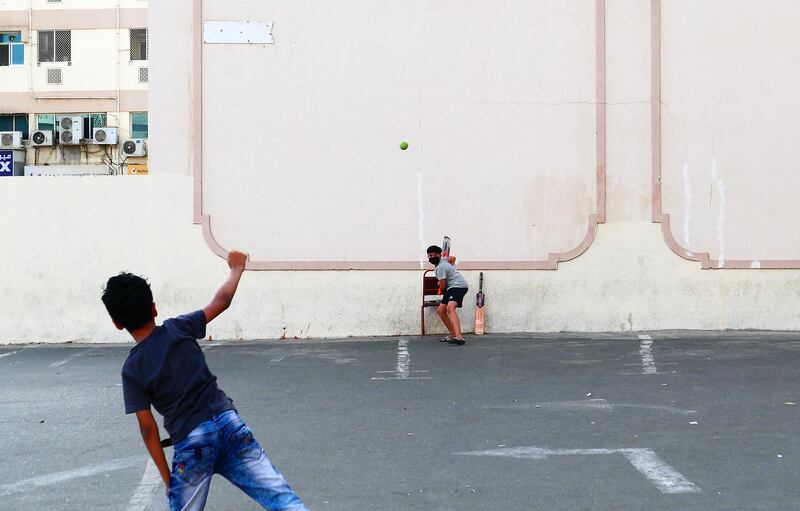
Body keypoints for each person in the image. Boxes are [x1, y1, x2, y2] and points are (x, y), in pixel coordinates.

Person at [101, 251, 308, 511]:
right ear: (154, 308)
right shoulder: (180, 327)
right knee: (283, 500)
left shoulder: (132, 369)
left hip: (193, 441)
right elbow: (222, 301)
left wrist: (168, 479)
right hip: (230, 424)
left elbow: (148, 428)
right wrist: (236, 268)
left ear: (117, 323)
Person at [427, 245, 469, 345]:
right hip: (451, 287)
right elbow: (453, 258)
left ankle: (459, 337)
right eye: (429, 255)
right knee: (441, 311)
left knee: (450, 308)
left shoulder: (441, 267)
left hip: (459, 286)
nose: (432, 257)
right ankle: (453, 334)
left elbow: (442, 286)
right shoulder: (444, 260)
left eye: (434, 255)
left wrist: (440, 282)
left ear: (439, 254)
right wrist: (451, 269)